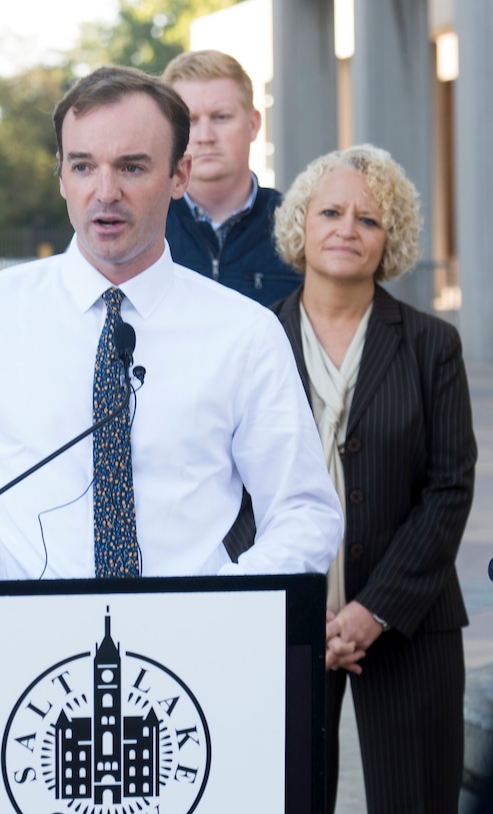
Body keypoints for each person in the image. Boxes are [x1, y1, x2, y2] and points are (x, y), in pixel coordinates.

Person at [0, 65, 342, 585]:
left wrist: (227, 601)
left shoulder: (246, 334)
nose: (105, 192)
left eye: (132, 167)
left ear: (179, 176)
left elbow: (305, 512)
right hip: (20, 646)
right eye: (82, 166)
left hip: (191, 648)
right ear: (60, 175)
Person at [271, 144, 477, 813]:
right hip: (281, 618)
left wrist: (371, 611)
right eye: (331, 211)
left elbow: (449, 488)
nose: (346, 229)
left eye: (369, 219)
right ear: (302, 223)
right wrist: (298, 606)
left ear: (392, 240)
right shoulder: (252, 340)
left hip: (408, 621)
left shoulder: (431, 344)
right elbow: (227, 490)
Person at [162, 49, 302, 305]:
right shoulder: (141, 225)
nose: (205, 135)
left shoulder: (299, 227)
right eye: (190, 120)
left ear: (254, 124)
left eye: (221, 117)